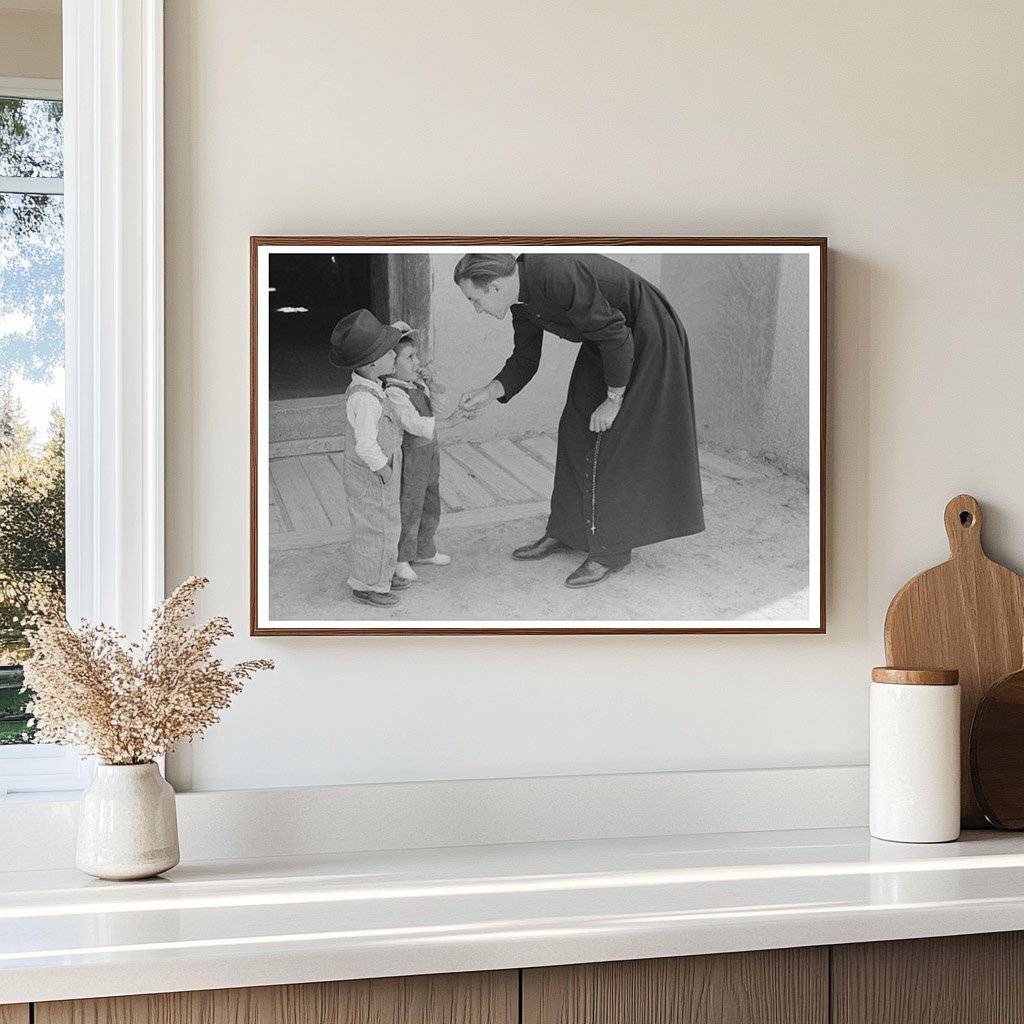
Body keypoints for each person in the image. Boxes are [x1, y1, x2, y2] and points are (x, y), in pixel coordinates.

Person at [455, 252, 704, 587]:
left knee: (615, 439)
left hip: (646, 334)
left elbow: (616, 334)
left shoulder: (554, 273)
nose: (476, 309)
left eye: (474, 299)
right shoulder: (521, 301)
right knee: (576, 426)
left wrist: (614, 400)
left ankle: (610, 551)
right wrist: (489, 391)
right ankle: (567, 531)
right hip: (607, 339)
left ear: (495, 287)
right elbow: (525, 359)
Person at [328, 308, 410, 608]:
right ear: (374, 363)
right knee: (375, 529)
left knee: (389, 523)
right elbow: (365, 444)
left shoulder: (370, 382)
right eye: (392, 351)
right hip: (373, 473)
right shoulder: (364, 399)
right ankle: (369, 585)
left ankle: (383, 573)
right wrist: (385, 471)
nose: (396, 355)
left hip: (380, 469)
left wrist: (396, 331)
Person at [382, 329, 464, 581]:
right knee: (410, 505)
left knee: (430, 499)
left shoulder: (416, 385)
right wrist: (449, 423)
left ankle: (424, 549)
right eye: (410, 358)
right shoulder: (394, 393)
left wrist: (432, 385)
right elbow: (414, 423)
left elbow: (436, 409)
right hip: (411, 457)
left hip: (429, 452)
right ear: (390, 367)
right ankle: (401, 557)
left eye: (416, 356)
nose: (417, 362)